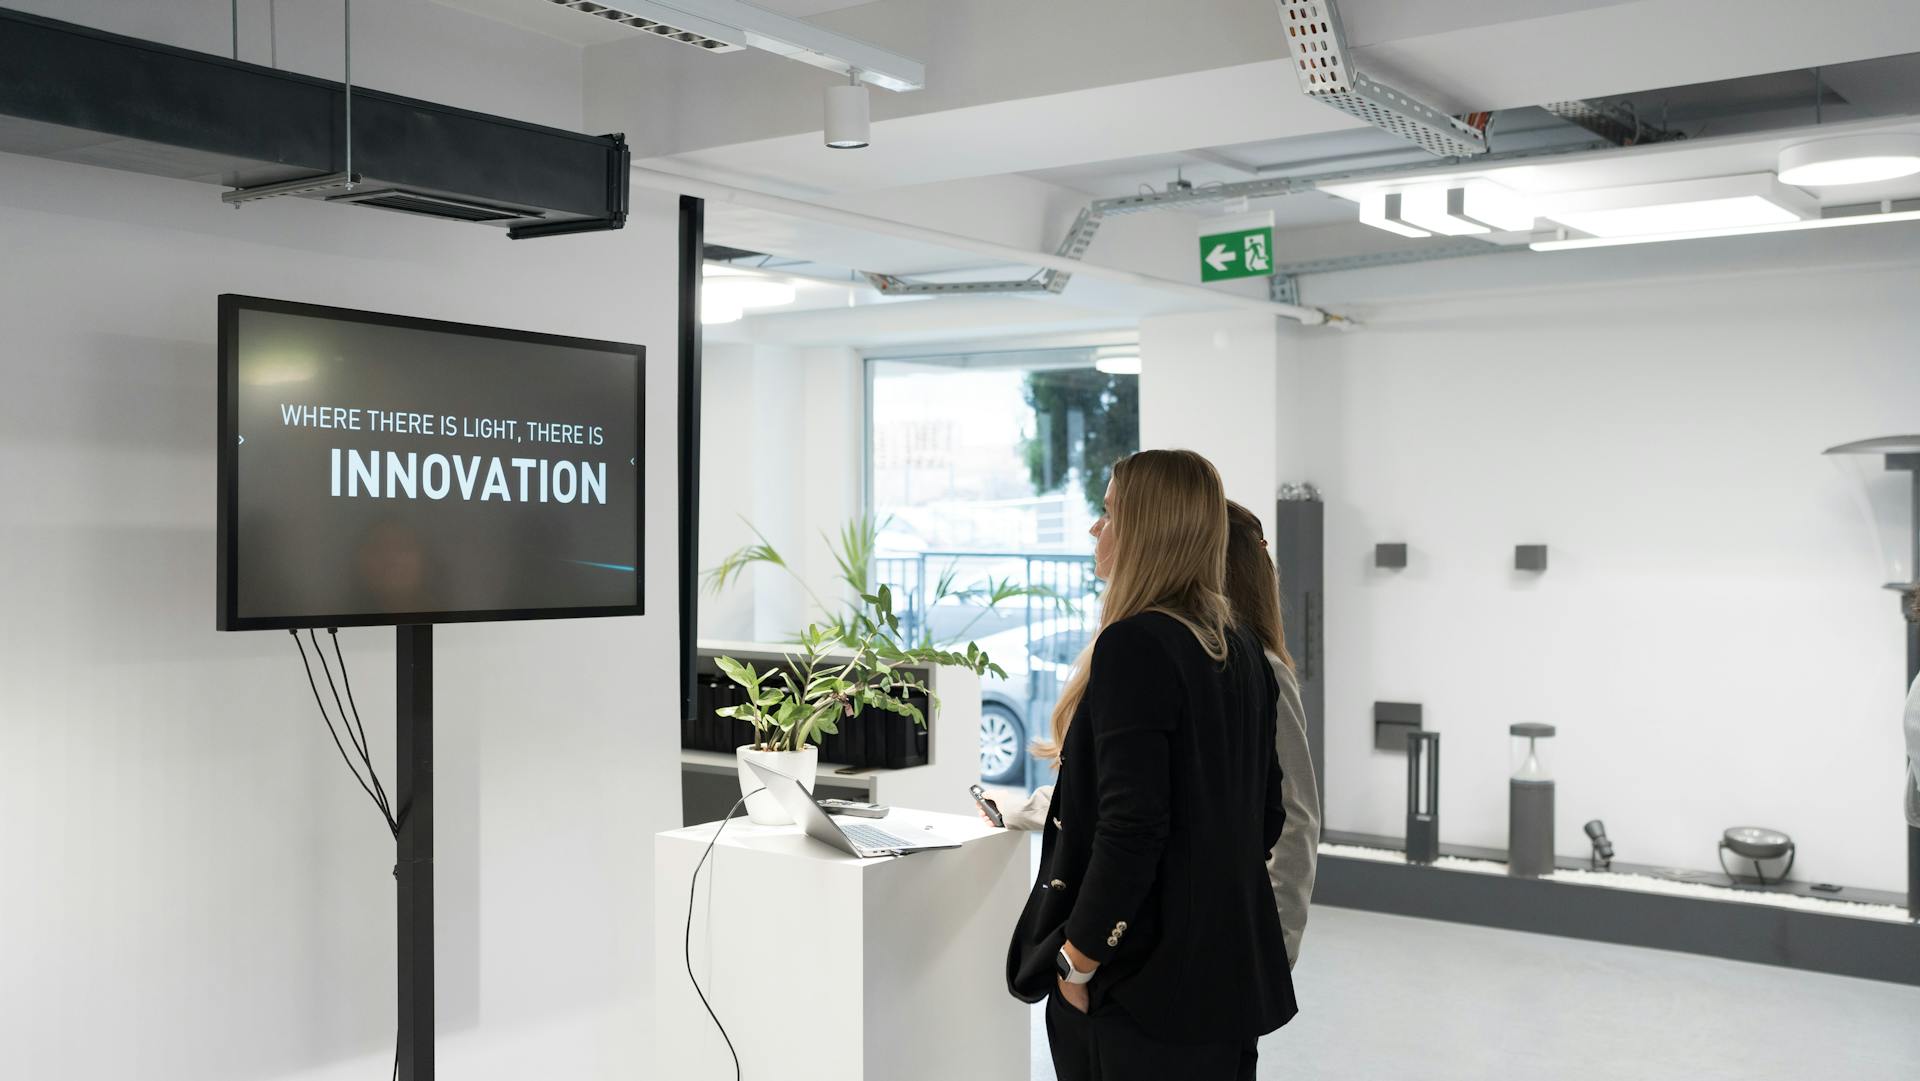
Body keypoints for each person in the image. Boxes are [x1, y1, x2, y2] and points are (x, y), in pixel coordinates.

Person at [1002, 450, 1295, 1081]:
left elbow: (1131, 829)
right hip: (1223, 979)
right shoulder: (1243, 647)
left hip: (1140, 988)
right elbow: (1267, 816)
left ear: (1147, 530)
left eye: (1109, 513)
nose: (1095, 530)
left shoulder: (1136, 645)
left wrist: (1078, 959)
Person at [990, 500, 1321, 968]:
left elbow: (1293, 819)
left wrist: (1273, 950)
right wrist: (1020, 811)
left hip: (1191, 944)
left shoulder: (1252, 668)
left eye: (1114, 515)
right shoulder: (1152, 652)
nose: (1096, 530)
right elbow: (1133, 791)